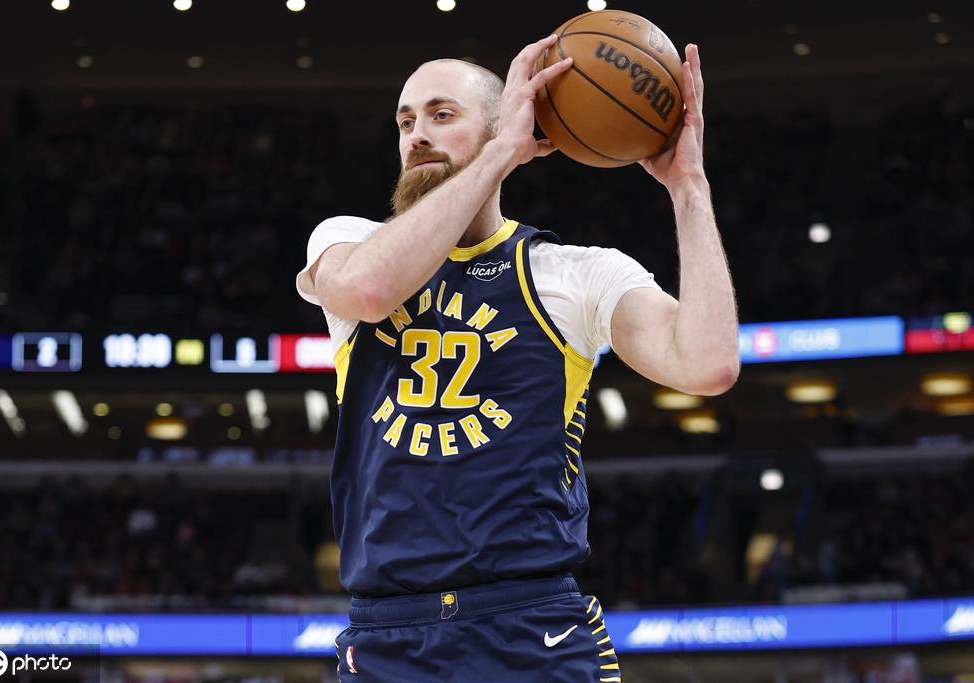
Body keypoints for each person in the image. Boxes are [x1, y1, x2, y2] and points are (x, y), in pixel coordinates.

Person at [296, 33, 738, 683]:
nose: (418, 135)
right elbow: (369, 291)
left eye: (442, 115)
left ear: (508, 124)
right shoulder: (348, 241)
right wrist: (501, 152)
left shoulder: (576, 273)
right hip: (387, 632)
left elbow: (708, 364)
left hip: (532, 625)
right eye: (406, 122)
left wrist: (689, 187)